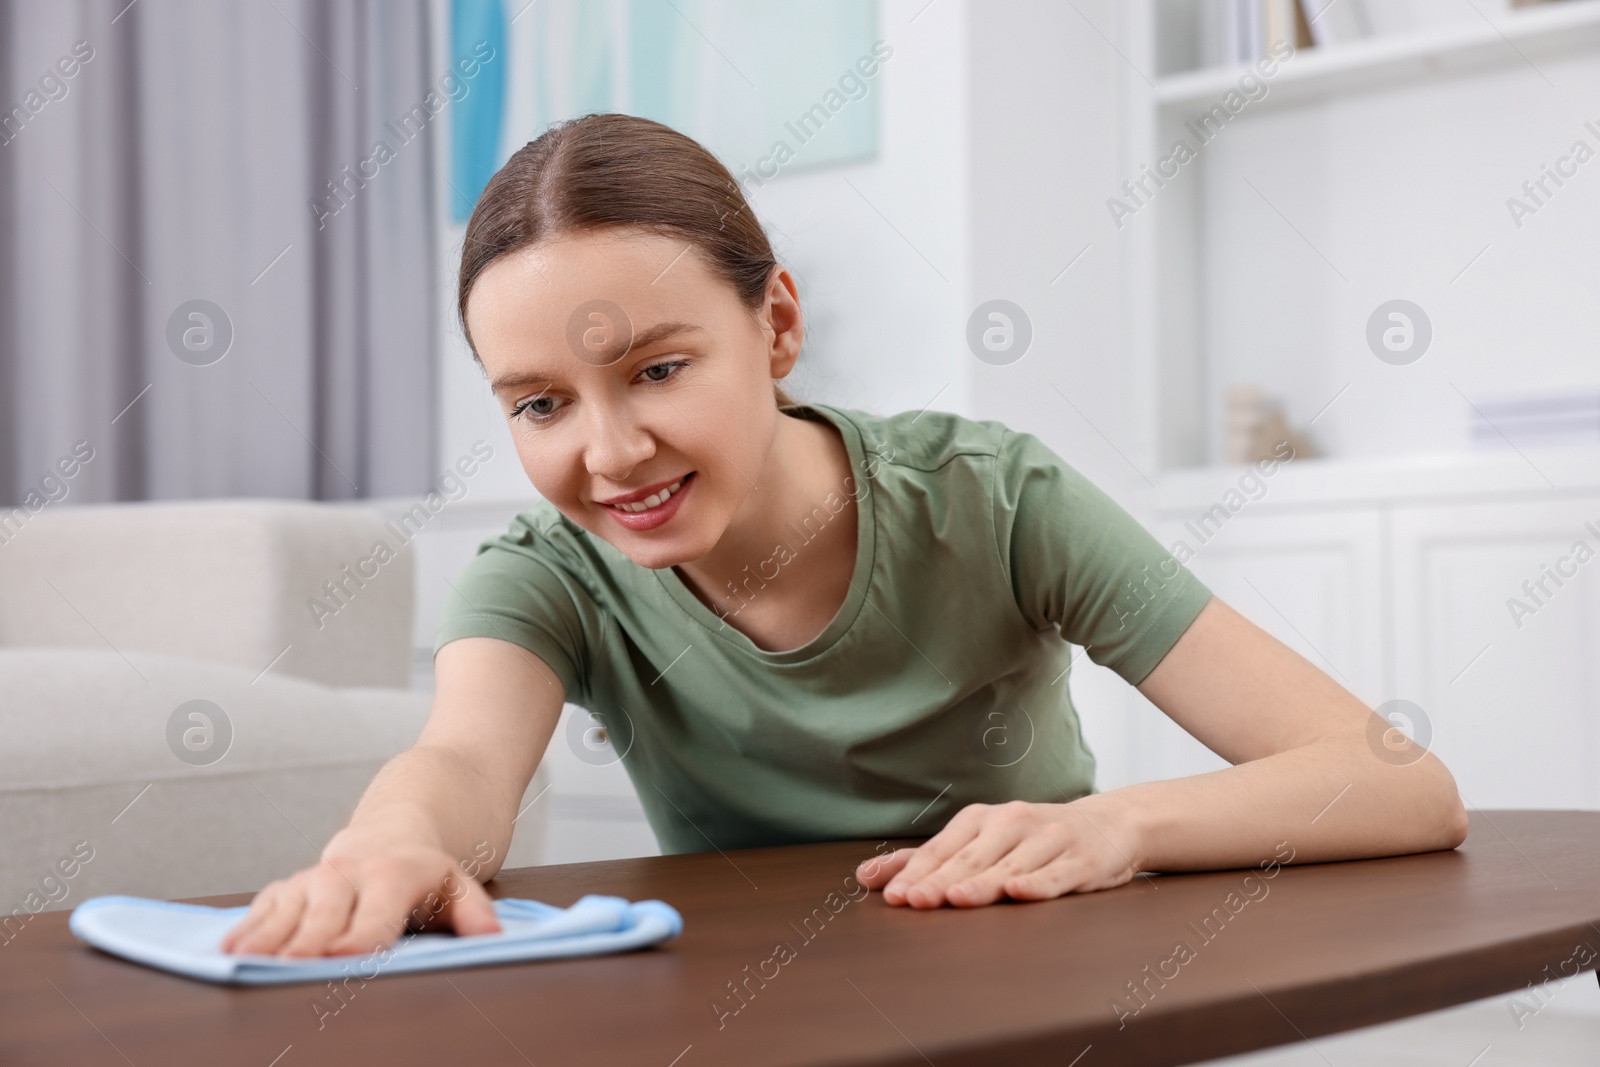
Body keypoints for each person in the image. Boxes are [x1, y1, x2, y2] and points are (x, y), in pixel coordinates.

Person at [220, 113, 1468, 959]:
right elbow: (462, 763)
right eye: (539, 403)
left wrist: (1115, 826)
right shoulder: (547, 574)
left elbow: (1400, 781)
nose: (606, 454)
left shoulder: (994, 496)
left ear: (775, 327)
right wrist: (389, 844)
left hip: (1047, 990)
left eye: (656, 369)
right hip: (761, 1010)